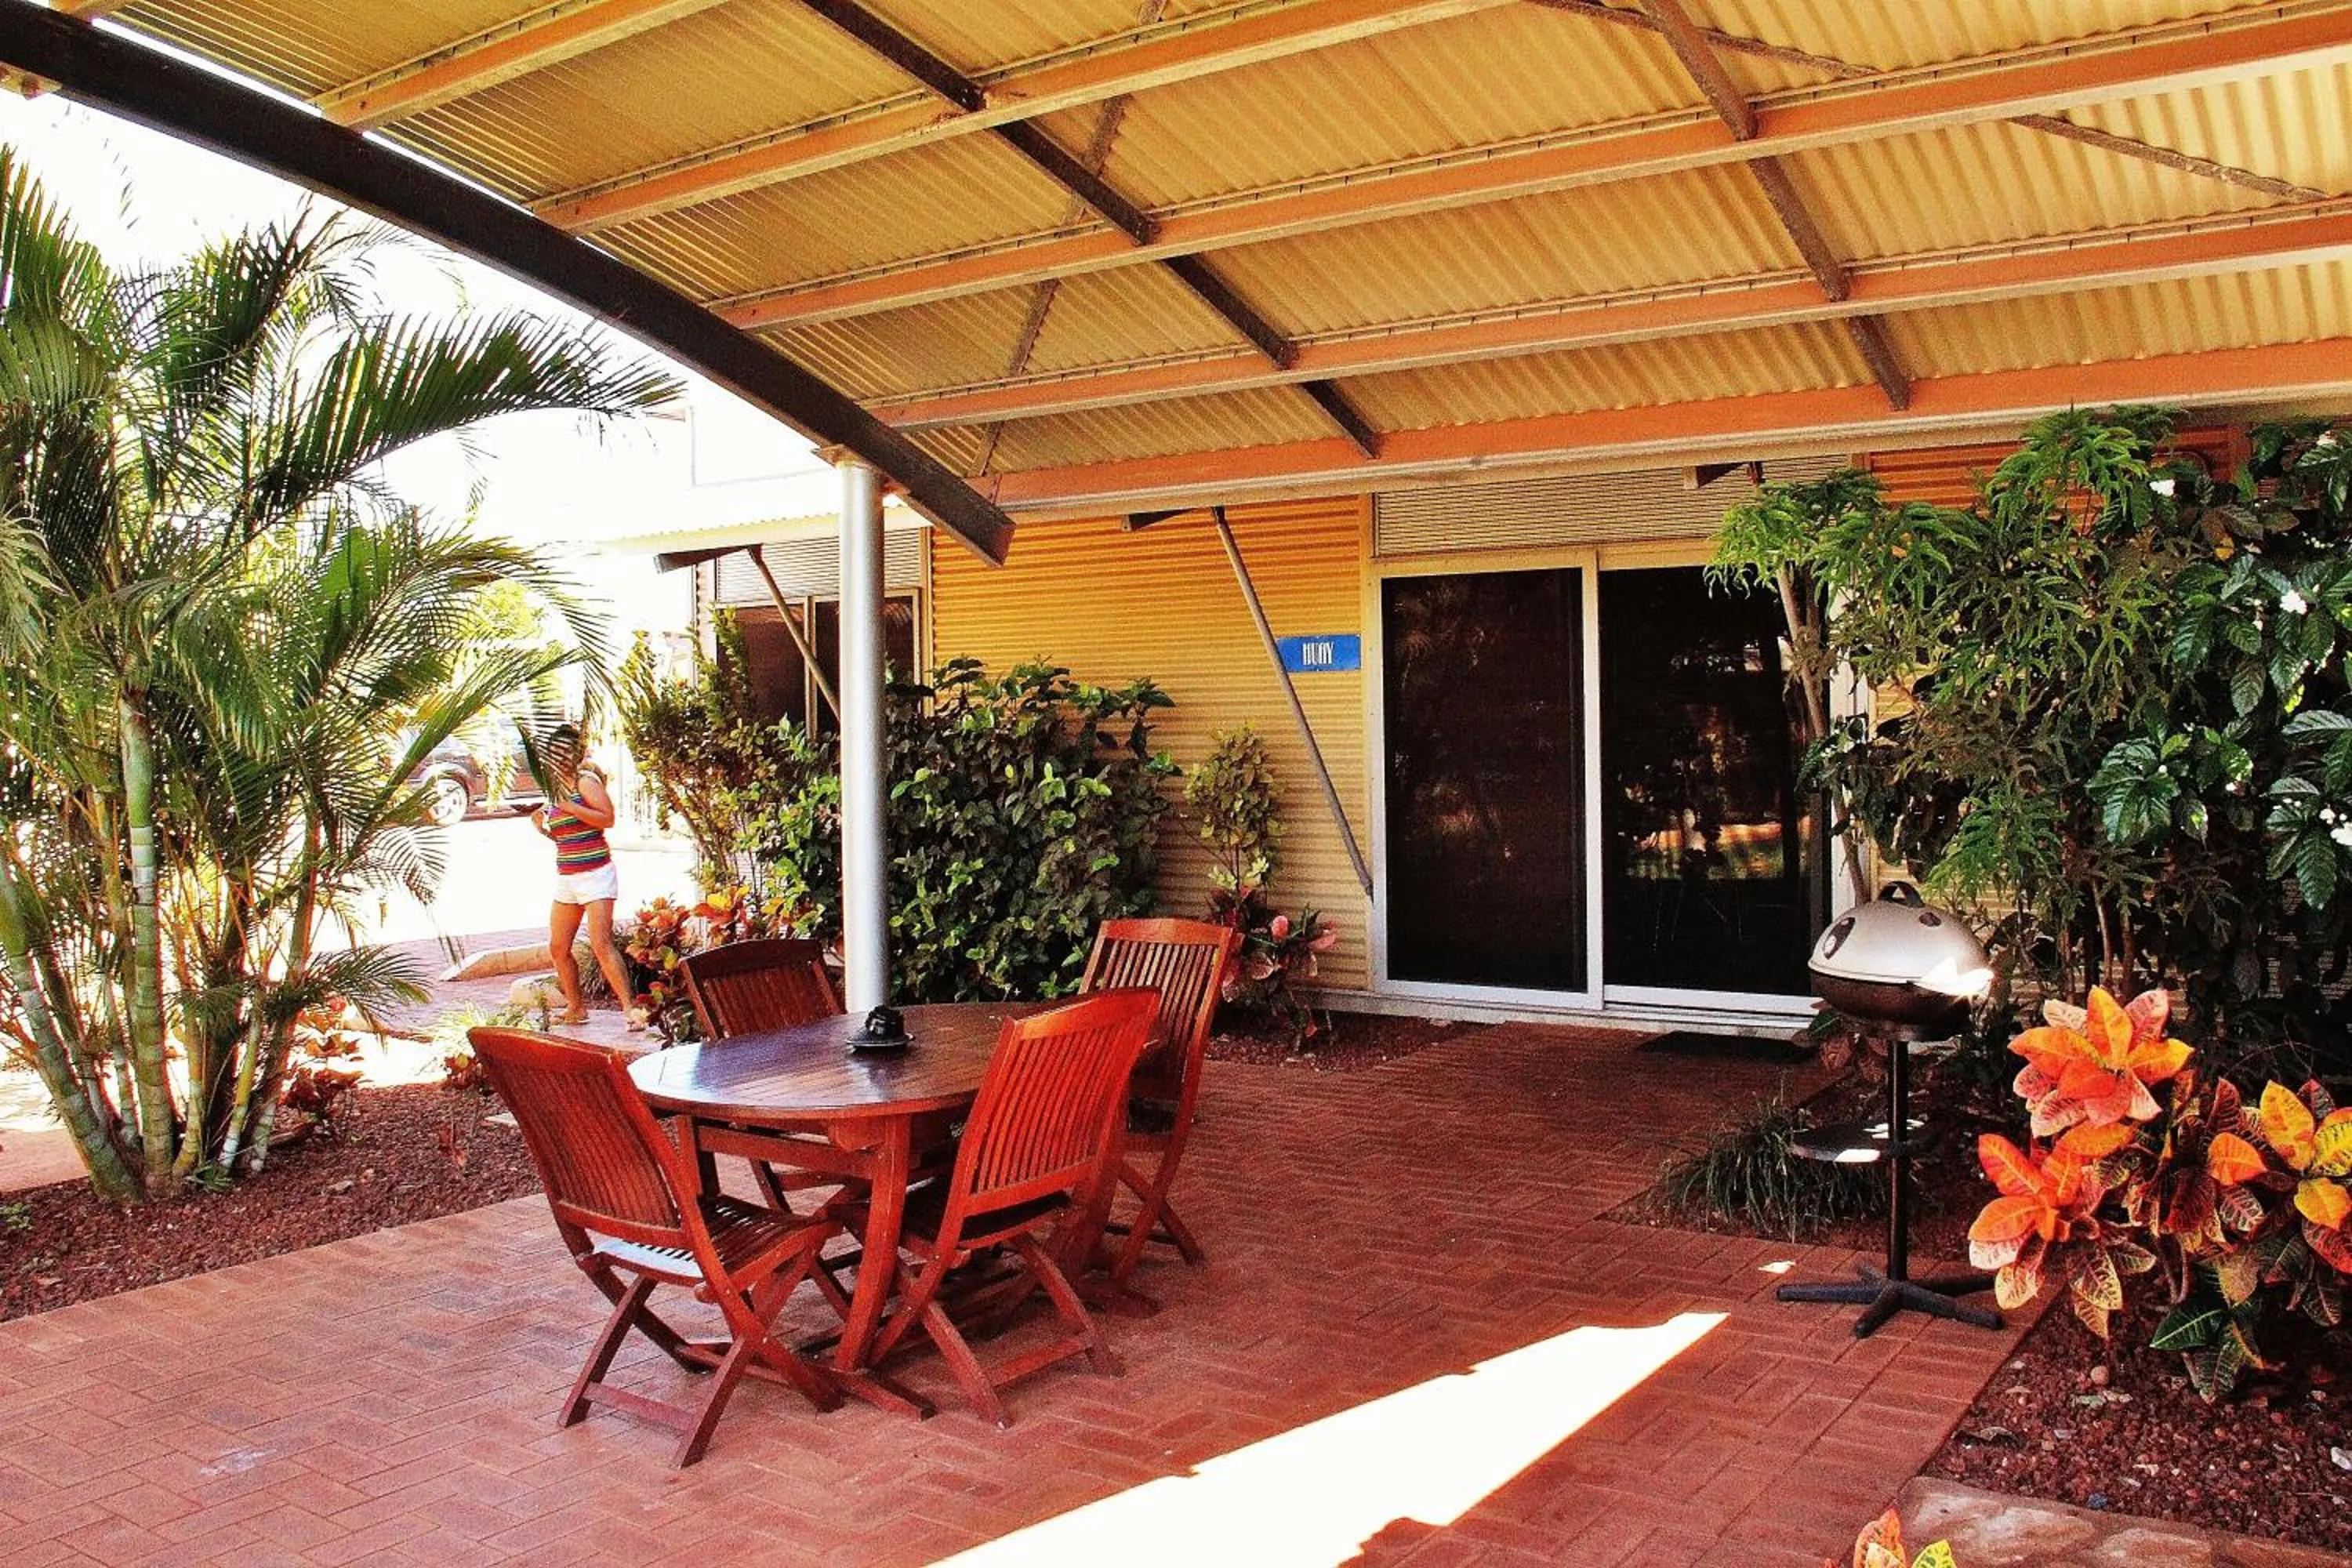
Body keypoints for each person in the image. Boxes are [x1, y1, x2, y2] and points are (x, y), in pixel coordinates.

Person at [531, 724, 644, 1031]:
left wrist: (567, 806)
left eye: (567, 750)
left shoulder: (586, 782)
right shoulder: (554, 788)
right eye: (555, 751)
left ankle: (631, 1010)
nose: (561, 756)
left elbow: (606, 819)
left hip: (596, 875)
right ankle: (576, 1007)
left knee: (601, 943)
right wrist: (542, 825)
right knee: (558, 947)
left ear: (578, 753)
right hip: (567, 877)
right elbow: (567, 837)